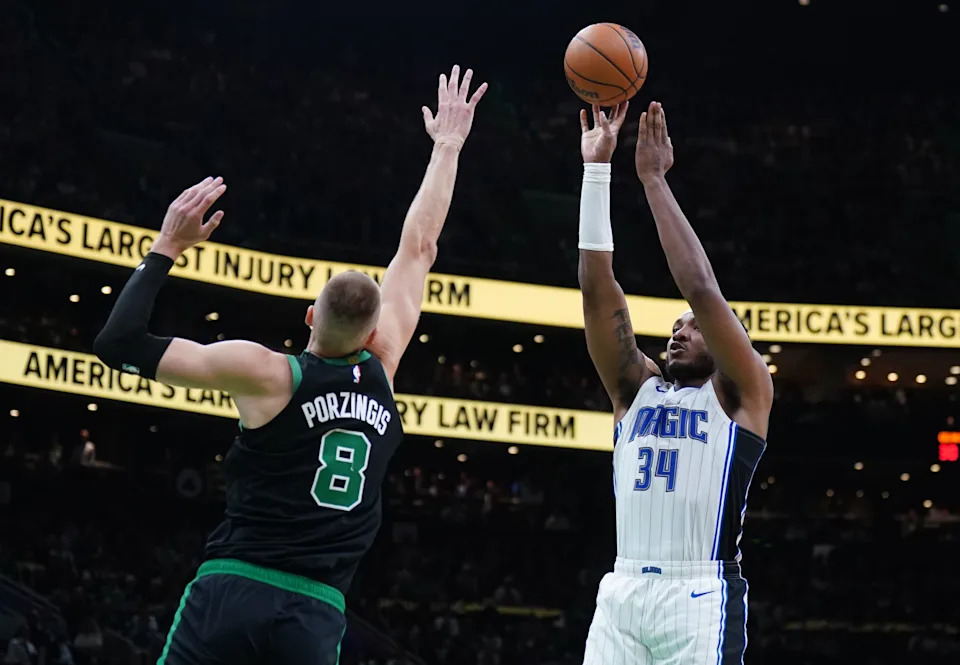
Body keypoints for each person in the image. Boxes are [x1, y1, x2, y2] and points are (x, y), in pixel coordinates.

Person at [93, 64, 487, 665]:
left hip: (233, 585)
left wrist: (165, 247)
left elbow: (119, 343)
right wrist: (448, 148)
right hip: (313, 609)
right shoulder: (384, 367)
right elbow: (419, 247)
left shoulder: (269, 373)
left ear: (309, 317)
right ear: (377, 333)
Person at [576, 100, 774, 664]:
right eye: (675, 326)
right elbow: (596, 289)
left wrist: (653, 180)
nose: (680, 331)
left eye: (693, 328)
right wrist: (597, 171)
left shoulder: (741, 394)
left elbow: (702, 290)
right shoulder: (634, 390)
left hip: (700, 593)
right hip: (622, 591)